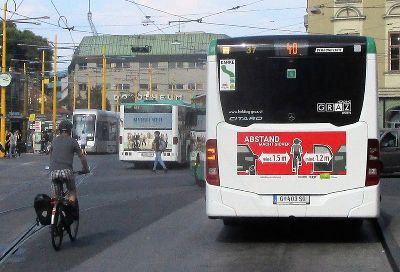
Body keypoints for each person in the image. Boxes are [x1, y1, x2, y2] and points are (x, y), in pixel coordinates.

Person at [49, 120, 90, 213]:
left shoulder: (54, 140)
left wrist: (52, 166)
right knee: (71, 190)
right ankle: (70, 211)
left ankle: (54, 216)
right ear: (70, 130)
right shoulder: (73, 141)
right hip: (67, 171)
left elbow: (51, 155)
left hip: (53, 172)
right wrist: (86, 169)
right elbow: (82, 157)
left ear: (59, 130)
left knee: (55, 198)